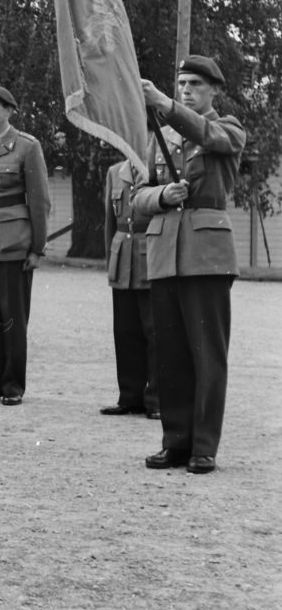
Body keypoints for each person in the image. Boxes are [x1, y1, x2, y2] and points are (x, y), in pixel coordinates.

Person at [135, 55, 245, 475]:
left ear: (215, 90)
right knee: (171, 356)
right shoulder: (160, 136)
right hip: (165, 252)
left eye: (196, 84)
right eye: (181, 84)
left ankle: (203, 446)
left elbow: (205, 132)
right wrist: (162, 197)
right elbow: (138, 195)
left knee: (206, 356)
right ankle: (175, 441)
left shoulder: (227, 128)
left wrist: (163, 103)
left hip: (206, 254)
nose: (186, 91)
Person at [0, 86, 51, 405]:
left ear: (9, 111)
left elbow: (40, 200)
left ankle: (12, 384)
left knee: (12, 317)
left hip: (14, 242)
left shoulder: (26, 147)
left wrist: (37, 247)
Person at [101, 155, 159, 418]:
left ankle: (156, 399)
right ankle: (130, 396)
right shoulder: (115, 172)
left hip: (151, 254)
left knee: (154, 331)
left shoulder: (159, 170)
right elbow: (110, 222)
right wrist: (109, 259)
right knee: (125, 331)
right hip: (122, 254)